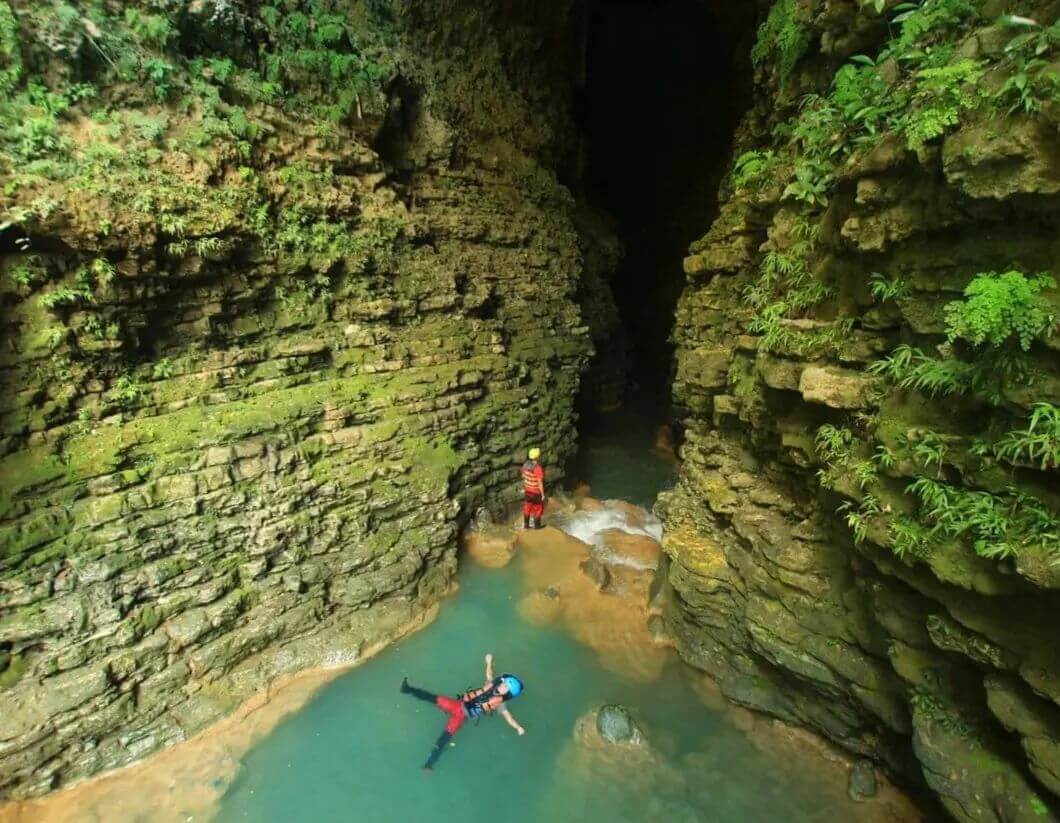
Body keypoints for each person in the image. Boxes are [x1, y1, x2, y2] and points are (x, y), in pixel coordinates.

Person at [400, 653, 525, 771]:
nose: (502, 687)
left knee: (444, 738)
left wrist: (518, 727)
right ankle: (407, 689)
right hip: (458, 705)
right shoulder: (492, 686)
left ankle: (429, 764)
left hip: (461, 716)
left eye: (506, 688)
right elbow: (489, 675)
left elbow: (508, 717)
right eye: (503, 684)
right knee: (434, 698)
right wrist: (489, 662)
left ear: (507, 693)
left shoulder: (500, 703)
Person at [521, 447, 546, 529]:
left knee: (527, 507)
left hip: (528, 491)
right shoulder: (537, 468)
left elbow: (524, 476)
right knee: (538, 508)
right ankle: (537, 527)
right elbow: (540, 483)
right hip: (536, 492)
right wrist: (542, 494)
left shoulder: (525, 465)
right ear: (537, 457)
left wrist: (525, 488)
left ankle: (526, 525)